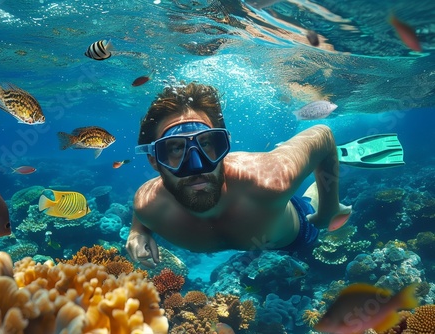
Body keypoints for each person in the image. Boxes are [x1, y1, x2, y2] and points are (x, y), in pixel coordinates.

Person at [126, 82, 352, 268]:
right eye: (175, 148)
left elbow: (322, 135)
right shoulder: (148, 205)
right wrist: (137, 232)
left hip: (295, 233)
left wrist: (329, 210)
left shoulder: (272, 180)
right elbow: (142, 208)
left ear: (223, 146)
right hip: (269, 216)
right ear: (154, 160)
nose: (197, 167)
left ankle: (313, 193)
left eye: (207, 143)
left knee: (308, 201)